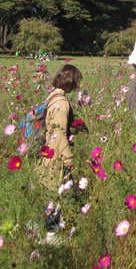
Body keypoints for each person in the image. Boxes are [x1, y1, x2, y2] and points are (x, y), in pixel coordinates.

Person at [35, 64, 86, 242]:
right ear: (71, 82)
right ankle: (53, 234)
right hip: (57, 157)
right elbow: (59, 134)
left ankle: (49, 229)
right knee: (66, 195)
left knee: (55, 194)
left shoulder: (52, 97)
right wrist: (69, 158)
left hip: (50, 153)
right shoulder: (61, 103)